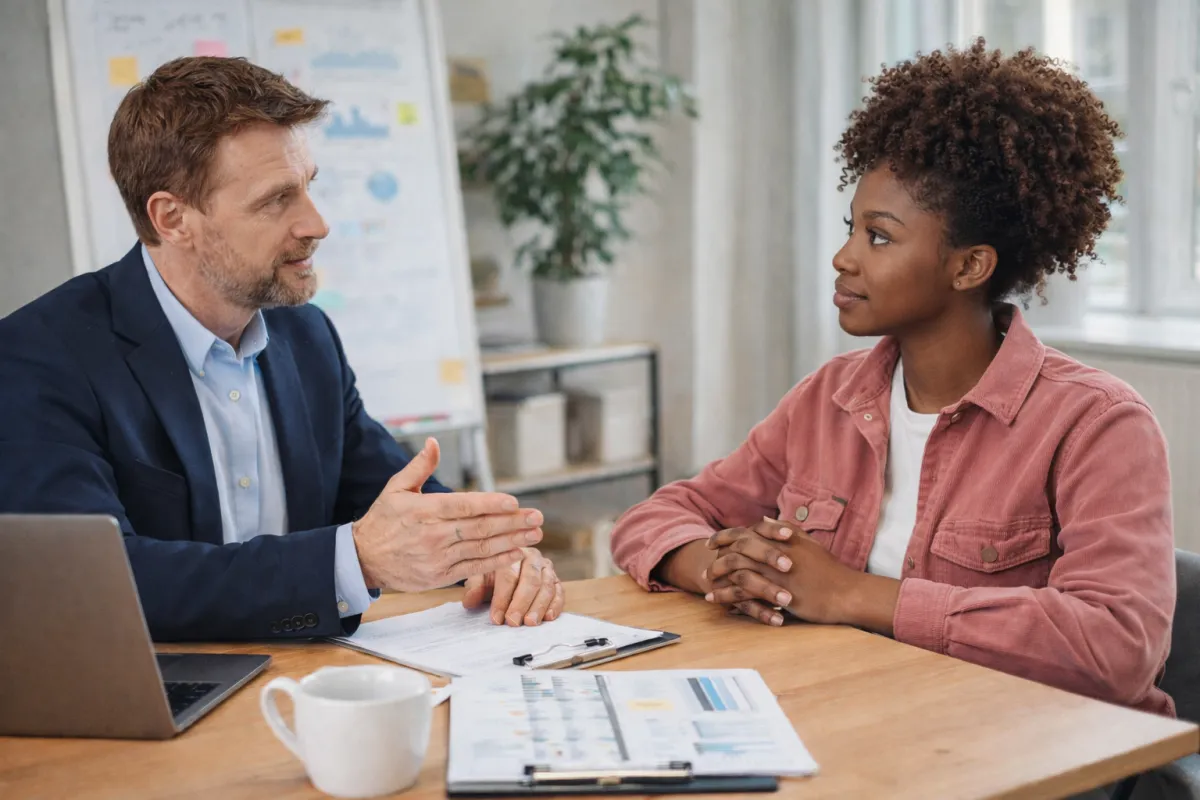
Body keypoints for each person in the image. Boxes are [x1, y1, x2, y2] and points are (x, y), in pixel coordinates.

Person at [611, 40, 1176, 717]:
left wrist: (851, 593)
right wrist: (718, 567)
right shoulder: (830, 398)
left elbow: (1116, 648)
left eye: (878, 237)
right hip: (867, 722)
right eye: (851, 229)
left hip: (1035, 759)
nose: (843, 258)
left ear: (969, 267)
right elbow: (659, 515)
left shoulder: (1098, 424)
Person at [0, 56, 563, 641]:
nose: (316, 223)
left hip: (307, 683)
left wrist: (491, 551)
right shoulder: (39, 358)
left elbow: (391, 493)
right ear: (172, 219)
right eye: (276, 200)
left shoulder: (307, 336)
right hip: (145, 704)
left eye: (309, 187)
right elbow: (96, 584)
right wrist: (355, 561)